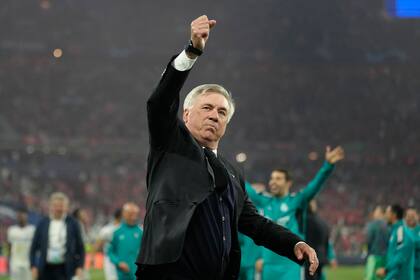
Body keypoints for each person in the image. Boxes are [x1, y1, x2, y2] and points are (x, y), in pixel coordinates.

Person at [135, 15, 319, 280]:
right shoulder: (171, 146)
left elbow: (254, 223)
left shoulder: (232, 173)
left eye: (222, 112)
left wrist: (293, 243)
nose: (214, 115)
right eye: (207, 108)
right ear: (186, 115)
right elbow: (159, 103)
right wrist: (192, 50)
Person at [247, 146, 344, 280]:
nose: (273, 182)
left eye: (278, 178)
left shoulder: (296, 202)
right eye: (272, 178)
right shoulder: (264, 201)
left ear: (288, 183)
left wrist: (328, 166)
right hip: (267, 267)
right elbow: (241, 185)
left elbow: (314, 186)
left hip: (291, 266)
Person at [30, 192, 85, 280]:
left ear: (66, 207)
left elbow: (81, 248)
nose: (59, 208)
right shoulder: (43, 223)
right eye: (56, 205)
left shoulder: (73, 223)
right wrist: (33, 266)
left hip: (65, 268)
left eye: (61, 206)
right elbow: (33, 247)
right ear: (50, 206)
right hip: (45, 267)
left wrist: (80, 267)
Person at [376, 204, 415, 280]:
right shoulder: (396, 230)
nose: (385, 216)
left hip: (399, 276)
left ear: (394, 215)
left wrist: (386, 269)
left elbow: (401, 256)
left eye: (387, 213)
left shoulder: (400, 231)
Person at [108, 203, 142, 280]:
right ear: (124, 214)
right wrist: (118, 263)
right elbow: (110, 252)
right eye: (131, 214)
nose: (134, 217)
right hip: (122, 274)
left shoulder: (141, 232)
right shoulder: (116, 232)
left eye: (136, 214)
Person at [238, 183, 265, 280]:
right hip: (242, 260)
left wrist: (262, 257)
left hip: (253, 262)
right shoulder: (242, 211)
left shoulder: (263, 208)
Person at [303, 200, 334, 280]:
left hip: (309, 258)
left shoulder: (303, 221)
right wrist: (330, 257)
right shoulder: (323, 222)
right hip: (321, 257)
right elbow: (327, 242)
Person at [6, 208, 35, 280]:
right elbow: (9, 246)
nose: (21, 217)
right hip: (15, 263)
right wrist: (8, 260)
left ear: (27, 216)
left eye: (23, 215)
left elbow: (35, 247)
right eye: (19, 215)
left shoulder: (32, 230)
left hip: (28, 263)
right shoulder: (12, 230)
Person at [94, 208, 122, 280]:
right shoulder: (108, 229)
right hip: (112, 259)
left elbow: (97, 245)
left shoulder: (106, 229)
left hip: (117, 259)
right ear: (121, 216)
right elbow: (98, 244)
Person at [364, 206, 389, 280]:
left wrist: (368, 253)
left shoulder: (372, 225)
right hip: (385, 257)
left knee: (370, 277)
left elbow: (368, 240)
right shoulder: (388, 225)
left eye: (376, 212)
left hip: (374, 256)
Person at [405, 208, 419, 280]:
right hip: (405, 268)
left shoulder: (419, 231)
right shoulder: (402, 231)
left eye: (412, 216)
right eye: (408, 216)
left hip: (417, 268)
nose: (410, 218)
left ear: (417, 217)